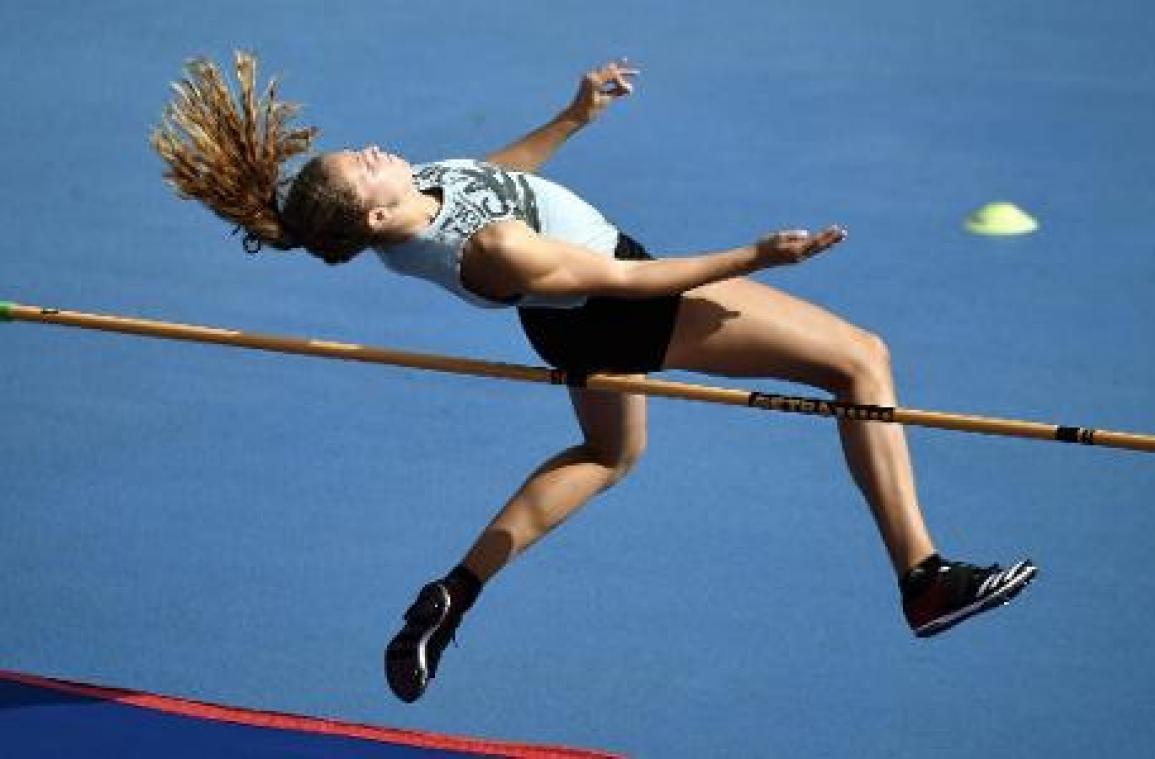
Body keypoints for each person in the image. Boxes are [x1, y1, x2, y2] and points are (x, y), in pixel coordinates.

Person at [152, 52, 1036, 704]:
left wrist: (571, 118)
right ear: (377, 214)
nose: (378, 150)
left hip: (573, 313)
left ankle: (449, 594)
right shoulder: (485, 253)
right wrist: (760, 254)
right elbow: (623, 280)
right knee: (860, 358)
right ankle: (921, 576)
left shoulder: (416, 193)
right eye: (365, 165)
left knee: (606, 455)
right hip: (617, 299)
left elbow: (491, 176)